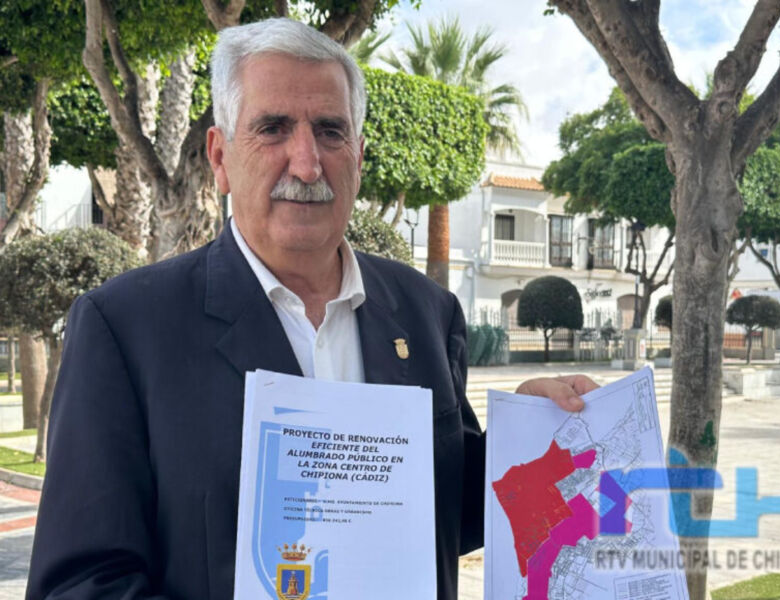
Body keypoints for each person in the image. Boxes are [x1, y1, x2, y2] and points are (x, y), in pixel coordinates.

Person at [26, 18, 597, 600]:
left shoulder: (427, 312)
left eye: (330, 131)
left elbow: (437, 516)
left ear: (359, 155)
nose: (306, 162)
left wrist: (526, 439)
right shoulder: (125, 327)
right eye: (273, 129)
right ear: (220, 157)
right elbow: (77, 583)